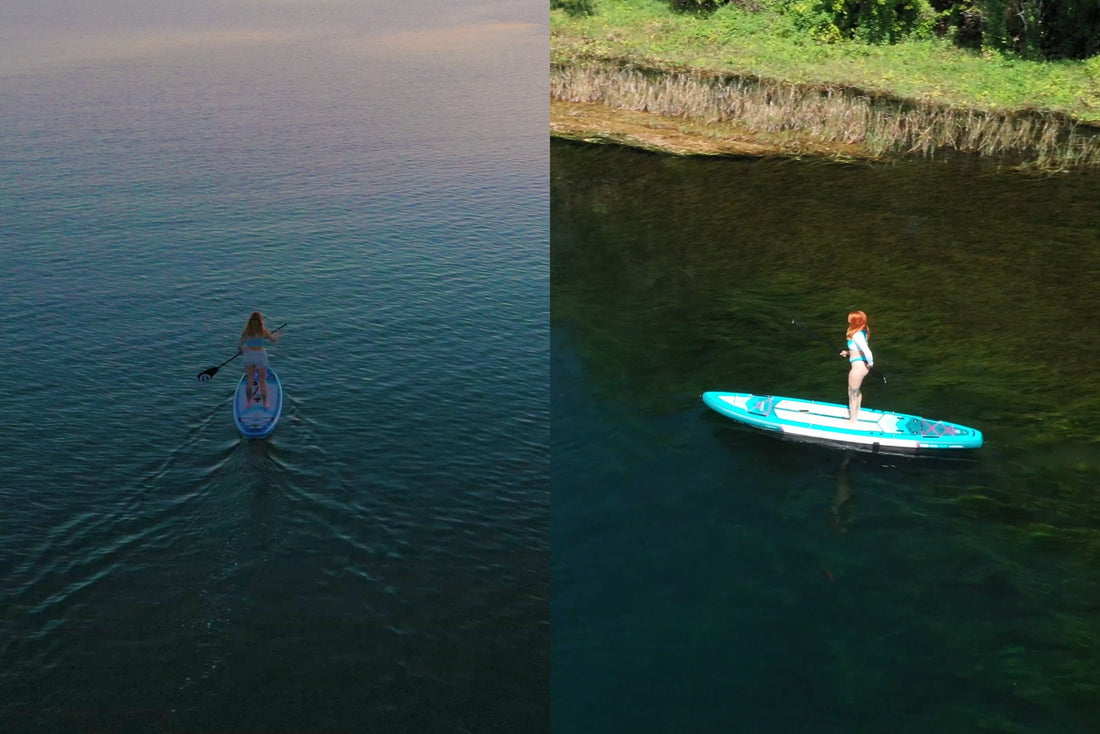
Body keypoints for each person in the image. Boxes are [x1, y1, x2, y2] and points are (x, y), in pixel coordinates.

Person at [237, 312, 280, 408]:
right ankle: (265, 404)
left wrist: (242, 350)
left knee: (250, 380)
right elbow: (274, 340)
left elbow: (239, 346)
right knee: (262, 381)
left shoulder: (246, 332)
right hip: (260, 356)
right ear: (261, 321)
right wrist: (277, 334)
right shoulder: (263, 332)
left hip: (248, 356)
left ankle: (249, 403)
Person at [839, 310, 874, 424]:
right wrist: (848, 353)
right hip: (860, 365)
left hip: (858, 367)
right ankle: (856, 414)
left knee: (852, 392)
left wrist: (871, 363)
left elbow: (866, 351)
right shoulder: (861, 332)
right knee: (856, 391)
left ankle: (852, 420)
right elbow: (858, 350)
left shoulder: (857, 335)